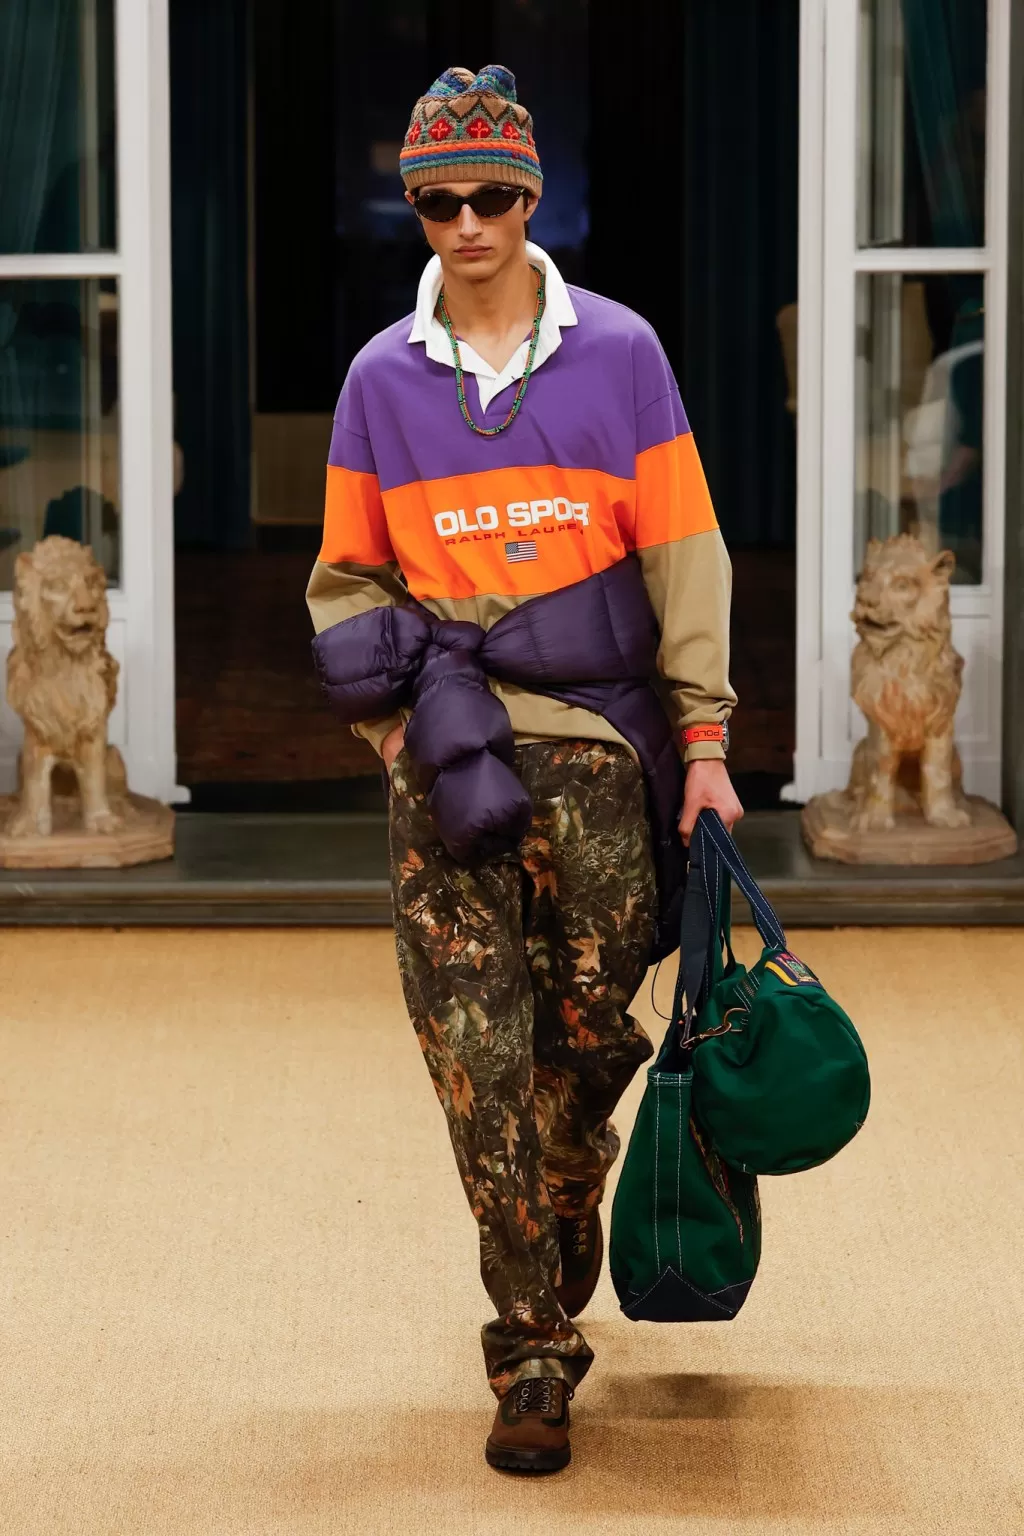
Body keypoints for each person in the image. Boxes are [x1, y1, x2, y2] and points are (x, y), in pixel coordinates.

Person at [307, 64, 742, 1474]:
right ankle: (533, 1349)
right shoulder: (380, 379)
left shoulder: (623, 355)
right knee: (473, 1059)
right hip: (446, 762)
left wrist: (705, 744)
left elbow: (685, 559)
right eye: (438, 201)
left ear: (531, 196)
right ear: (416, 210)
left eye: (491, 195)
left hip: (602, 764)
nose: (467, 223)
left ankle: (568, 1183)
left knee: (587, 1044)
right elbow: (345, 580)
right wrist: (393, 739)